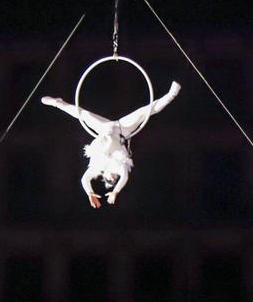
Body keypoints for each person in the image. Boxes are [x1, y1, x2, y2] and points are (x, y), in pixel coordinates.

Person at [42, 81, 180, 208]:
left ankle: (57, 102)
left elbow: (84, 179)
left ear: (105, 177)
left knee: (81, 114)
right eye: (115, 179)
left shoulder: (97, 167)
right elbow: (124, 177)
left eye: (111, 179)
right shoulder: (120, 166)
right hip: (122, 129)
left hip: (103, 129)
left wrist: (90, 193)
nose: (114, 177)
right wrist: (115, 192)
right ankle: (171, 95)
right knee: (146, 111)